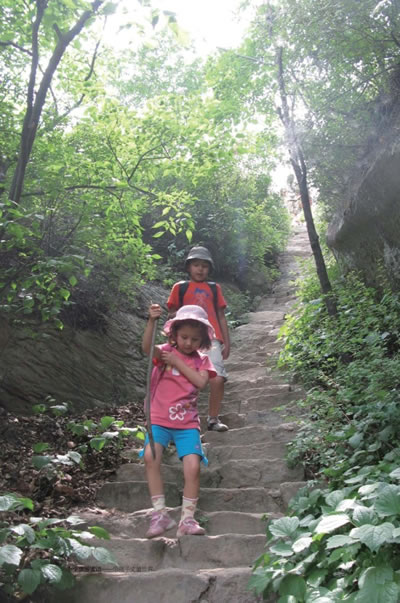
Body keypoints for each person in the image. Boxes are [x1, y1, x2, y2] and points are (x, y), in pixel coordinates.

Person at [141, 303, 216, 538]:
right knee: (151, 456)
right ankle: (160, 515)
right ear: (174, 334)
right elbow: (147, 349)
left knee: (193, 467)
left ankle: (187, 519)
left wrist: (177, 362)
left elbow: (201, 382)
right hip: (159, 418)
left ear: (203, 340)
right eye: (184, 337)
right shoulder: (165, 351)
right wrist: (151, 321)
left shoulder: (202, 360)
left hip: (187, 423)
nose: (188, 343)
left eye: (195, 339)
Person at [167, 246, 230, 432]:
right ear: (189, 267)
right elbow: (172, 315)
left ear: (209, 269)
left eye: (204, 266)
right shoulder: (180, 288)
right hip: (186, 340)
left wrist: (227, 342)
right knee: (181, 379)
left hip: (211, 338)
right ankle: (178, 422)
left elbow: (221, 316)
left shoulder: (214, 288)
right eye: (196, 265)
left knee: (217, 378)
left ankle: (213, 418)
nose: (200, 269)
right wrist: (172, 340)